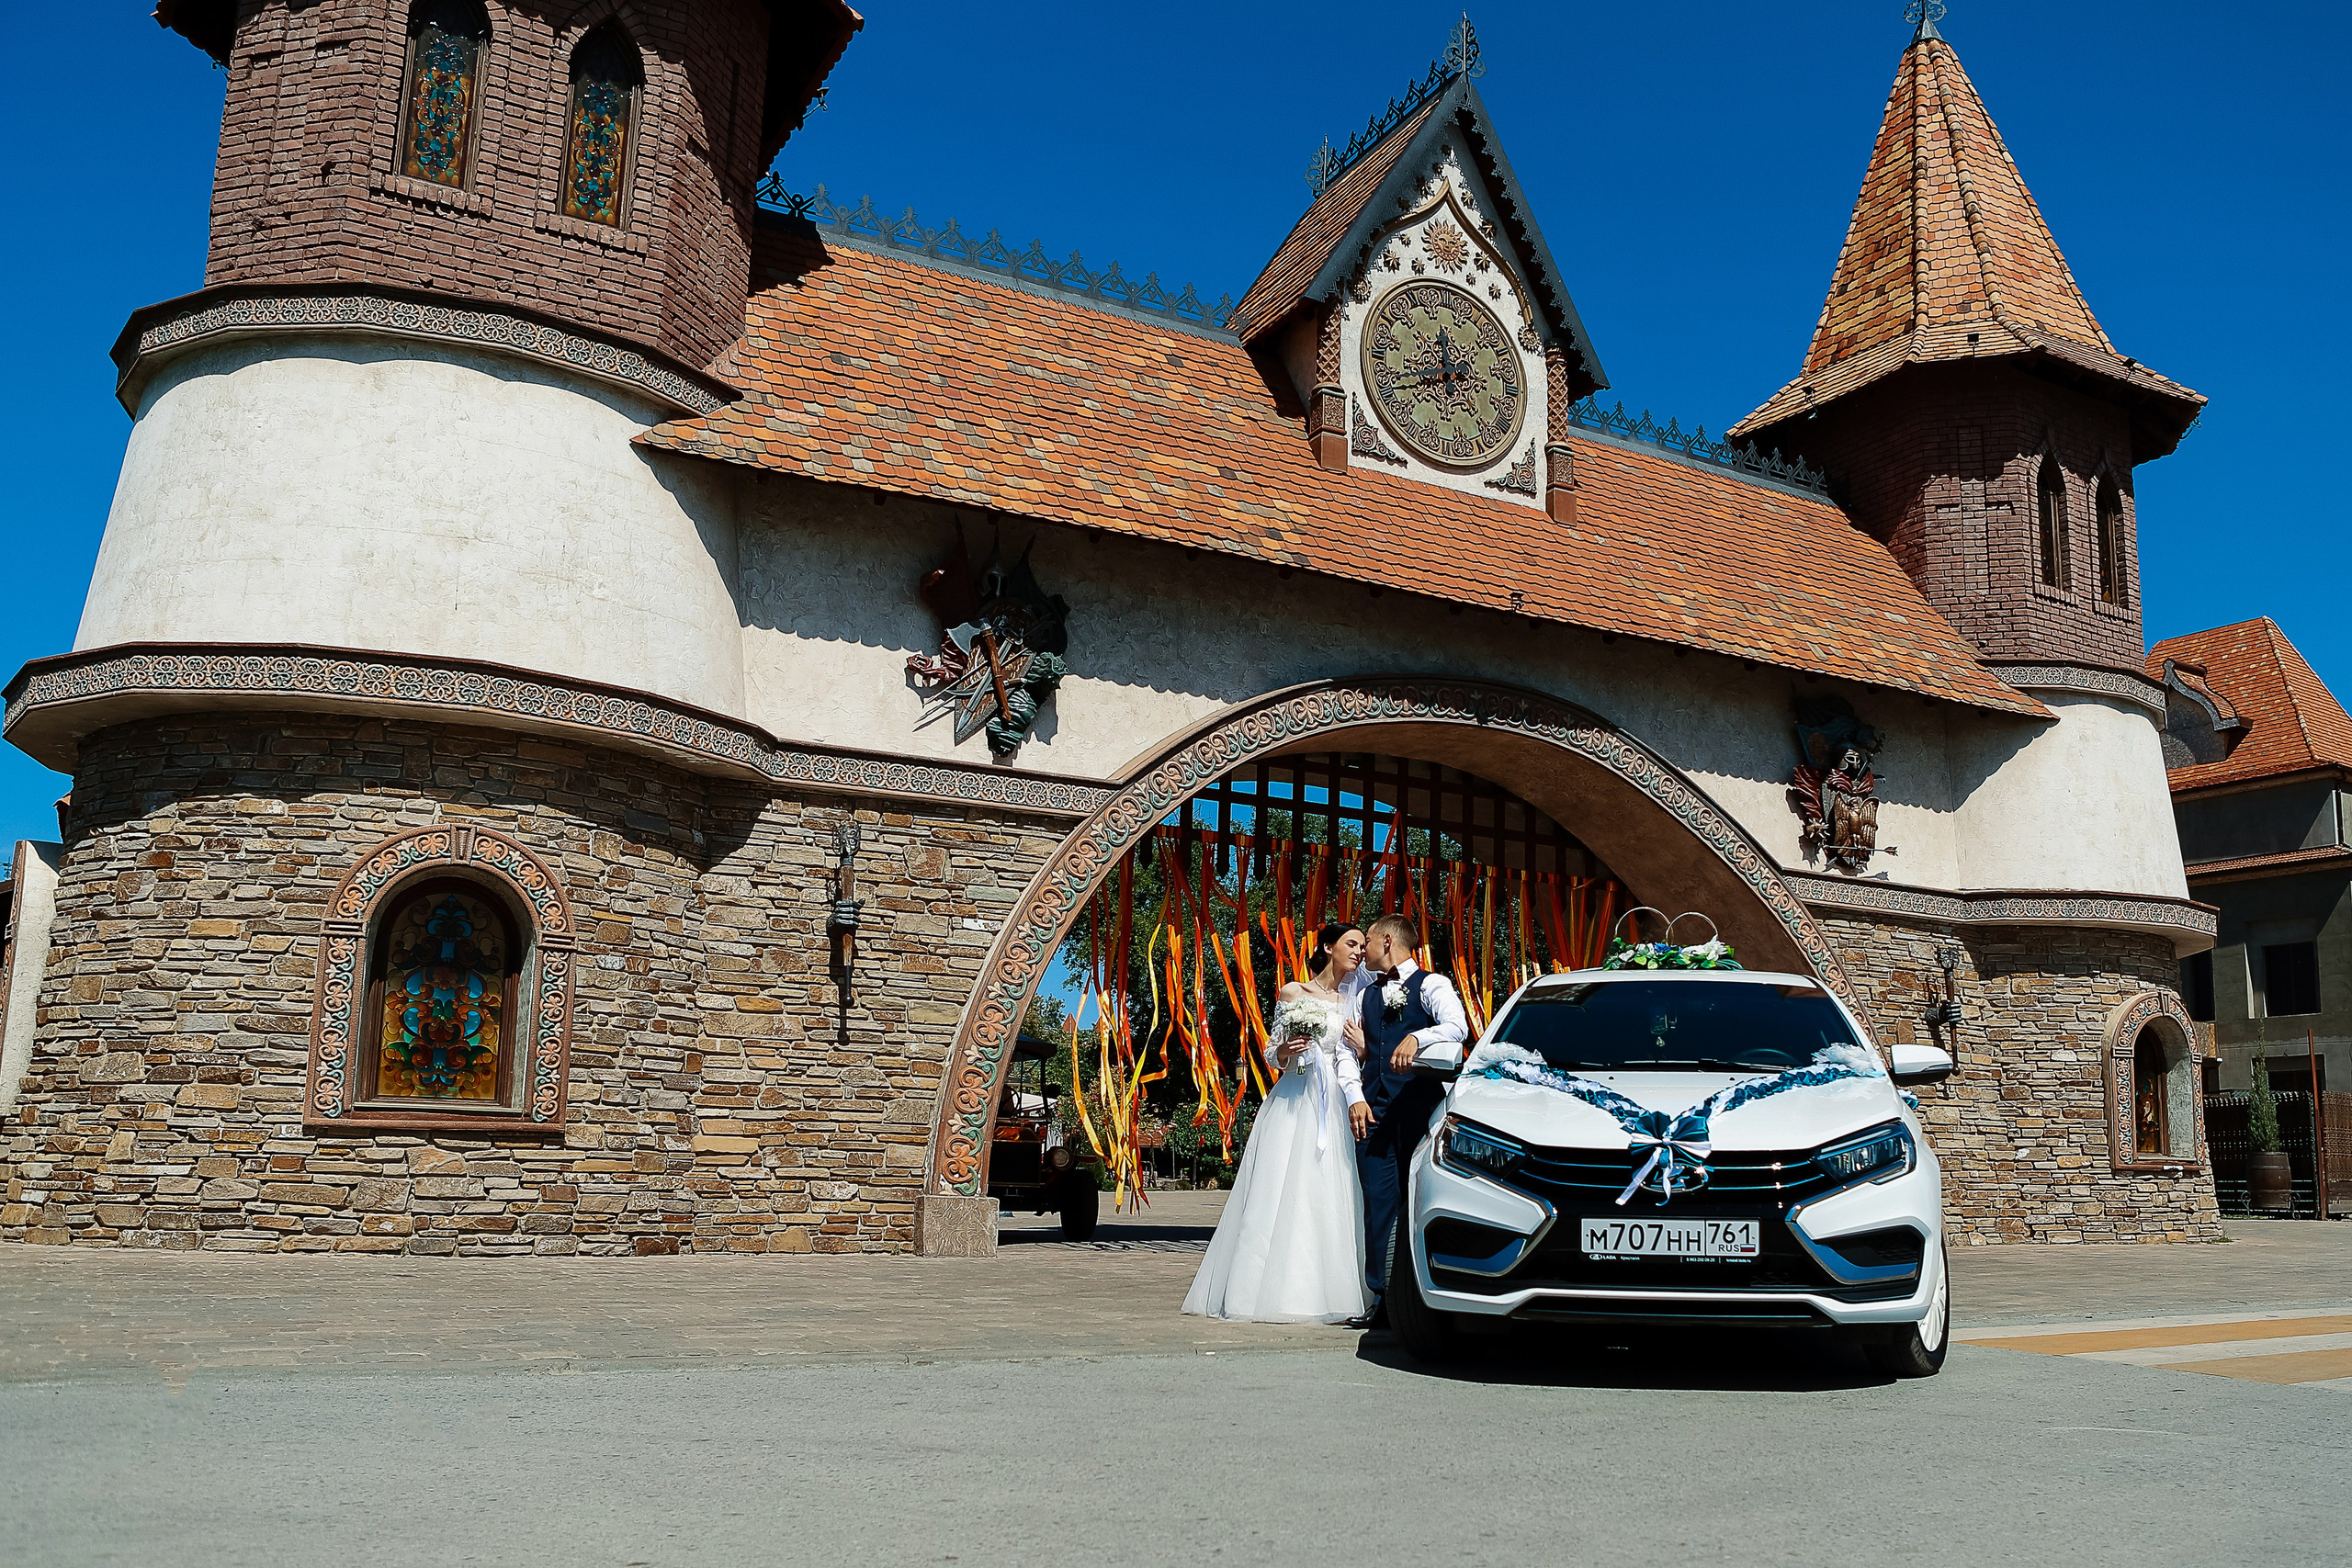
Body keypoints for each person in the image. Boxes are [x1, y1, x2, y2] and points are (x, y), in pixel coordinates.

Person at [1182, 923, 1374, 1323]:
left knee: (1327, 1190)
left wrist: (1362, 1048)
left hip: (1331, 1104)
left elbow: (1348, 1057)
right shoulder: (1293, 992)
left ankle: (1328, 1290)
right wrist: (1284, 1049)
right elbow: (1272, 1051)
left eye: (1362, 946)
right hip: (1292, 1099)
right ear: (1328, 947)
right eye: (1351, 944)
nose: (1359, 951)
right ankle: (1257, 1290)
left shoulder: (1352, 999)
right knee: (1276, 1189)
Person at [1347, 913, 1471, 1329]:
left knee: (1420, 1200)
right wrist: (1355, 1097)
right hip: (1375, 1113)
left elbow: (1458, 1027)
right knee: (1377, 1203)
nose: (1362, 949)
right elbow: (1350, 1051)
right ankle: (1382, 1298)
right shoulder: (1365, 993)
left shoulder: (1432, 984)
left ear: (1387, 941)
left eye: (1366, 941)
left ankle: (1427, 1295)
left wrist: (1420, 1037)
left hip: (1420, 1110)